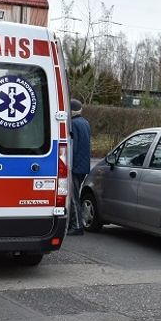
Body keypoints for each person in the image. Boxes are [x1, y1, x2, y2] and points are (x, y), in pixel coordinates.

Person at [67, 98, 91, 235]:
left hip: (75, 166)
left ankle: (77, 226)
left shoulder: (73, 124)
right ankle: (75, 224)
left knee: (73, 197)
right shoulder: (85, 123)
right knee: (75, 195)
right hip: (82, 166)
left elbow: (73, 148)